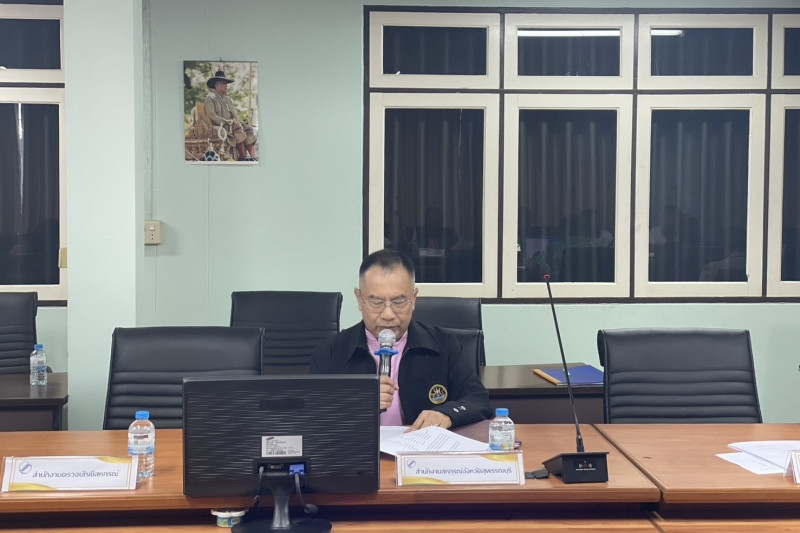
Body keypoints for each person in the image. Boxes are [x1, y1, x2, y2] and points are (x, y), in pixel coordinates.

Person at [310, 249, 491, 430]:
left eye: (399, 302)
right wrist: (358, 403)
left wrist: (447, 413)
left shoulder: (445, 345)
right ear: (359, 299)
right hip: (357, 446)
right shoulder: (330, 352)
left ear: (414, 299)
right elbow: (312, 415)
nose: (388, 314)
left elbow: (478, 400)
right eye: (376, 302)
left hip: (420, 446)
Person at [204, 70, 257, 161]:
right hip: (219, 125)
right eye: (224, 83)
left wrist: (241, 122)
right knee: (238, 128)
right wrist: (228, 122)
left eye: (226, 84)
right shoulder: (210, 98)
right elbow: (211, 116)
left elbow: (234, 116)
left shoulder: (228, 100)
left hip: (231, 124)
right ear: (217, 85)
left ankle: (250, 156)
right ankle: (242, 157)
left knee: (248, 128)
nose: (226, 86)